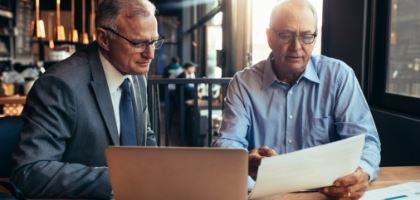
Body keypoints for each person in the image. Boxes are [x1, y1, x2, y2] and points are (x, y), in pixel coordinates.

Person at [213, 0, 381, 199]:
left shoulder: (338, 76)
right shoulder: (243, 83)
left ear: (315, 38)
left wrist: (363, 172)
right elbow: (228, 141)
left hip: (325, 194)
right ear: (269, 37)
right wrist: (243, 161)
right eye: (286, 35)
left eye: (306, 36)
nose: (296, 47)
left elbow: (366, 141)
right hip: (263, 194)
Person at [10, 0, 162, 199]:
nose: (150, 54)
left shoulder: (137, 75)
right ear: (104, 39)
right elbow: (29, 171)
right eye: (138, 43)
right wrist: (119, 180)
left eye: (154, 42)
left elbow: (144, 135)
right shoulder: (60, 85)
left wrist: (161, 173)